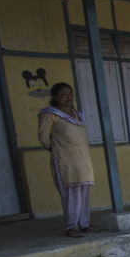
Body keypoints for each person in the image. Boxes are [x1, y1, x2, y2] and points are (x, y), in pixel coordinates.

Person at [37, 82, 99, 238]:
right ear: (55, 97)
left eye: (70, 94)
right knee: (71, 194)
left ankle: (84, 223)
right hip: (65, 160)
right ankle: (71, 226)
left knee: (84, 191)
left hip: (83, 159)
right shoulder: (50, 114)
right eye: (63, 94)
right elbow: (43, 137)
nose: (68, 97)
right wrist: (55, 149)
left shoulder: (77, 114)